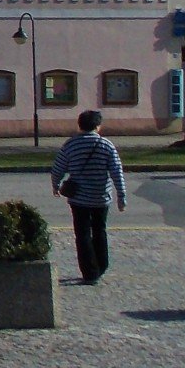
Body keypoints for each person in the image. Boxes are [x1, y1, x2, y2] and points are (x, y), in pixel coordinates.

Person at [51, 109, 127, 283]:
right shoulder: (106, 145)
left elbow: (58, 168)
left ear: (80, 125)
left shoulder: (70, 144)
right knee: (100, 230)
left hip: (79, 198)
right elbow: (117, 171)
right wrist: (121, 196)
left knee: (82, 234)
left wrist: (56, 185)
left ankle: (89, 271)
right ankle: (101, 265)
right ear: (98, 126)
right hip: (101, 197)